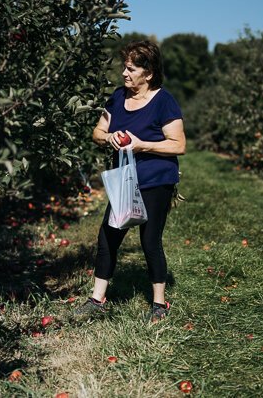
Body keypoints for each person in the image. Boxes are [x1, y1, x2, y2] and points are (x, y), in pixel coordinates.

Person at [75, 40, 186, 322]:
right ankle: (97, 299)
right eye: (124, 67)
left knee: (150, 240)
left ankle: (159, 304)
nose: (124, 73)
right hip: (125, 180)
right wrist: (108, 137)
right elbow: (97, 132)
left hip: (155, 179)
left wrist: (142, 145)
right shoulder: (116, 98)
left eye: (131, 69)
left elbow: (178, 145)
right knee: (108, 237)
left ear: (148, 73)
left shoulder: (164, 101)